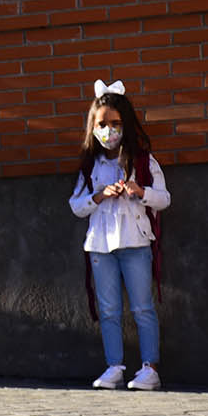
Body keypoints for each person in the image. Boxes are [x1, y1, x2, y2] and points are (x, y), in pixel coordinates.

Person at [69, 81, 169, 391]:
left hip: (136, 244)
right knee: (109, 309)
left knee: (142, 307)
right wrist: (97, 197)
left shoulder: (143, 161)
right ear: (93, 127)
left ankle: (149, 367)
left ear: (126, 124)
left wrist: (141, 192)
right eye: (102, 124)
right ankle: (114, 366)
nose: (109, 130)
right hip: (100, 247)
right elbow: (75, 205)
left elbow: (164, 198)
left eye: (115, 124)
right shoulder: (91, 166)